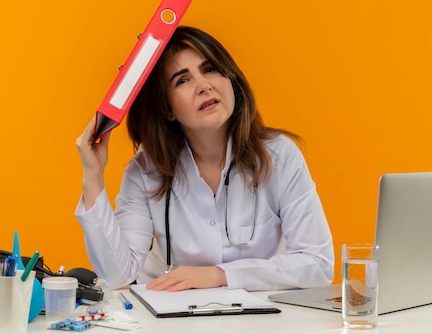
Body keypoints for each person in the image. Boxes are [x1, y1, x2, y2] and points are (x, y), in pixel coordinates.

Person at [75, 26, 334, 292]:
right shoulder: (145, 171)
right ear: (168, 109)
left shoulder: (279, 156)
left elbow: (317, 264)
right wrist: (92, 178)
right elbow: (118, 275)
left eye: (210, 69)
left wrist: (220, 275)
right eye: (182, 80)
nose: (204, 86)